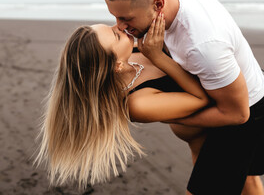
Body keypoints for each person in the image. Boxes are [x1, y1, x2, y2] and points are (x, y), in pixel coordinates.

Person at [103, 0, 264, 194]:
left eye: (126, 18)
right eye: (115, 16)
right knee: (247, 181)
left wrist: (173, 117)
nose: (120, 26)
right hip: (232, 91)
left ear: (158, 5)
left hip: (245, 115)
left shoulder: (203, 45)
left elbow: (238, 114)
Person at [35, 14, 212, 190]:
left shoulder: (131, 53)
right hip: (209, 143)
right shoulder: (137, 104)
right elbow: (201, 98)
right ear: (117, 66)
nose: (119, 27)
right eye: (116, 35)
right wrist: (158, 57)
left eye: (110, 27)